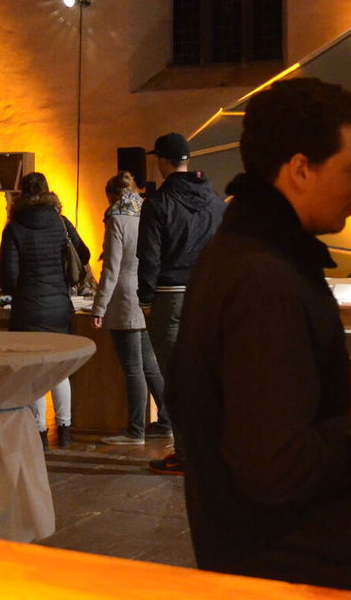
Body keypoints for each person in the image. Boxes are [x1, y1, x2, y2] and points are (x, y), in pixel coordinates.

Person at [173, 77, 351, 593]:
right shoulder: (266, 281)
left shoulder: (248, 255)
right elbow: (274, 466)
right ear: (300, 169)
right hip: (295, 572)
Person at [136, 131, 225, 475]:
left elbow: (149, 256)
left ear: (162, 161)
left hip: (170, 297)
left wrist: (146, 299)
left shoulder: (158, 203)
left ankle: (188, 454)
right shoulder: (215, 201)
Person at [0, 172, 88, 448]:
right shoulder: (61, 222)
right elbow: (83, 254)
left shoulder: (14, 228)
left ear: (21, 194)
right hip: (58, 306)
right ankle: (65, 429)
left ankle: (39, 433)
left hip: (28, 308)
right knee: (59, 369)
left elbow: (8, 277)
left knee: (34, 371)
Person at [91, 171, 169, 445]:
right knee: (150, 365)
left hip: (124, 297)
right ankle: (167, 421)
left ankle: (136, 430)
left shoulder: (116, 218)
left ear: (112, 196)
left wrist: (99, 307)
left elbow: (111, 268)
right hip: (146, 294)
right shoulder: (147, 212)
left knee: (133, 368)